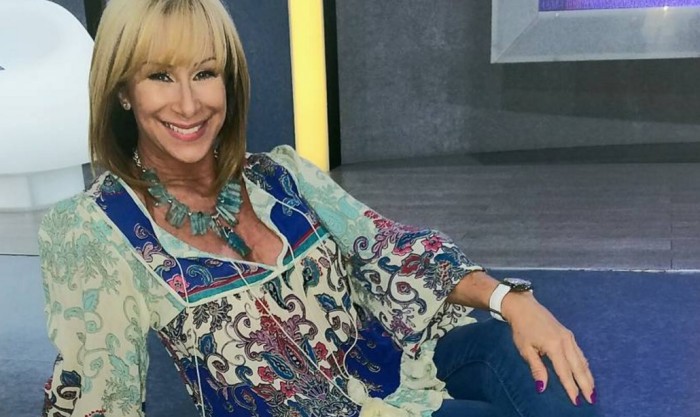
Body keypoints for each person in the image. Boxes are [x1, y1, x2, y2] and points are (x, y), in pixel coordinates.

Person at [39, 1, 600, 416]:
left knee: (542, 366)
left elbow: (386, 245)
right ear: (123, 90)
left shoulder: (278, 174)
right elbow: (95, 395)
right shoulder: (95, 228)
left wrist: (510, 300)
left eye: (205, 73)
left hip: (397, 365)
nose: (188, 103)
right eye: (160, 76)